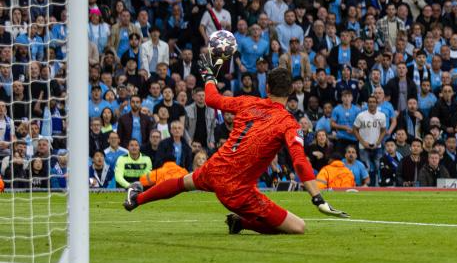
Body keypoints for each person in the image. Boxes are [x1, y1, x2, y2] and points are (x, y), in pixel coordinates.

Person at [125, 53, 347, 234]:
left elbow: (212, 99)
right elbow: (299, 161)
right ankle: (241, 223)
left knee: (182, 183)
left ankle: (137, 198)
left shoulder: (247, 102)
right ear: (290, 93)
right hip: (237, 190)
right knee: (298, 227)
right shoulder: (289, 123)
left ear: (267, 88)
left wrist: (208, 74)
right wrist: (317, 197)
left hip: (215, 167)